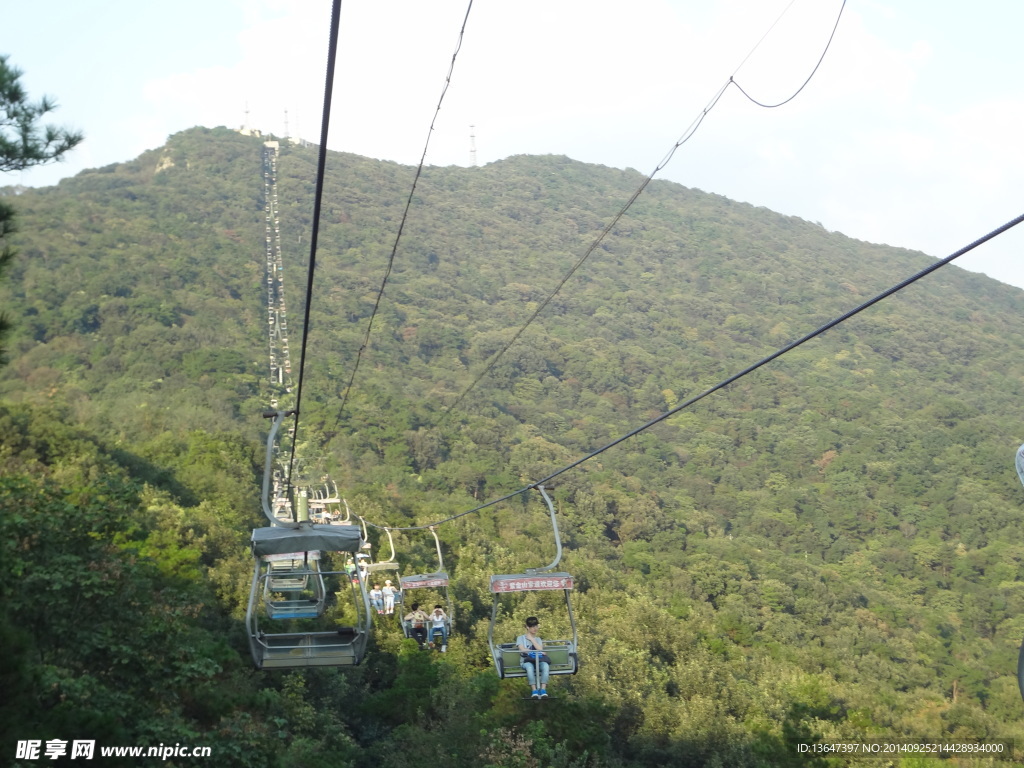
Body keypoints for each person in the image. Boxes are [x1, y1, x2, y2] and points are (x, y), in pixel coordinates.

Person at [516, 616, 549, 698]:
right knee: (529, 668)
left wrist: (532, 640)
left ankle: (543, 689)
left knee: (545, 666)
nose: (535, 628)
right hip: (526, 661)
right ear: (527, 627)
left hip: (538, 660)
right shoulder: (520, 638)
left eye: (536, 626)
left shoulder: (538, 639)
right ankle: (534, 690)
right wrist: (531, 651)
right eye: (532, 626)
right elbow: (522, 649)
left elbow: (540, 649)